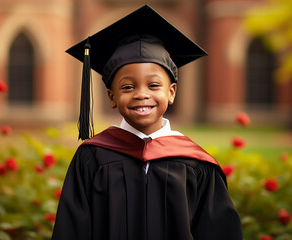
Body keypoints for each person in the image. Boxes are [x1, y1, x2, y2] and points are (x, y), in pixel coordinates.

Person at [52, 5, 242, 240]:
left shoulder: (197, 164)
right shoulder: (92, 158)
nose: (141, 94)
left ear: (172, 92)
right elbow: (71, 231)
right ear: (111, 97)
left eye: (153, 85)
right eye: (128, 87)